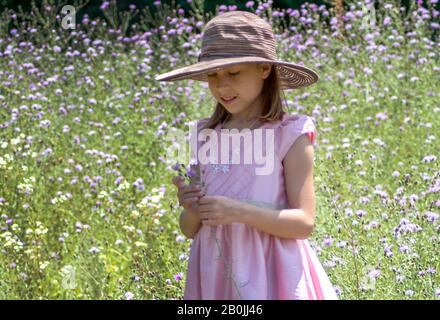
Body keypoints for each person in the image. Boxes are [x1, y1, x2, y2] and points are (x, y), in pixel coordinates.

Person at [158, 11, 338, 300]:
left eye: (233, 73)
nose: (221, 86)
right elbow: (189, 229)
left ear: (264, 68)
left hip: (274, 274)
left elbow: (304, 222)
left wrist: (237, 211)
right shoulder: (205, 135)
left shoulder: (289, 134)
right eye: (213, 75)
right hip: (215, 275)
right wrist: (192, 209)